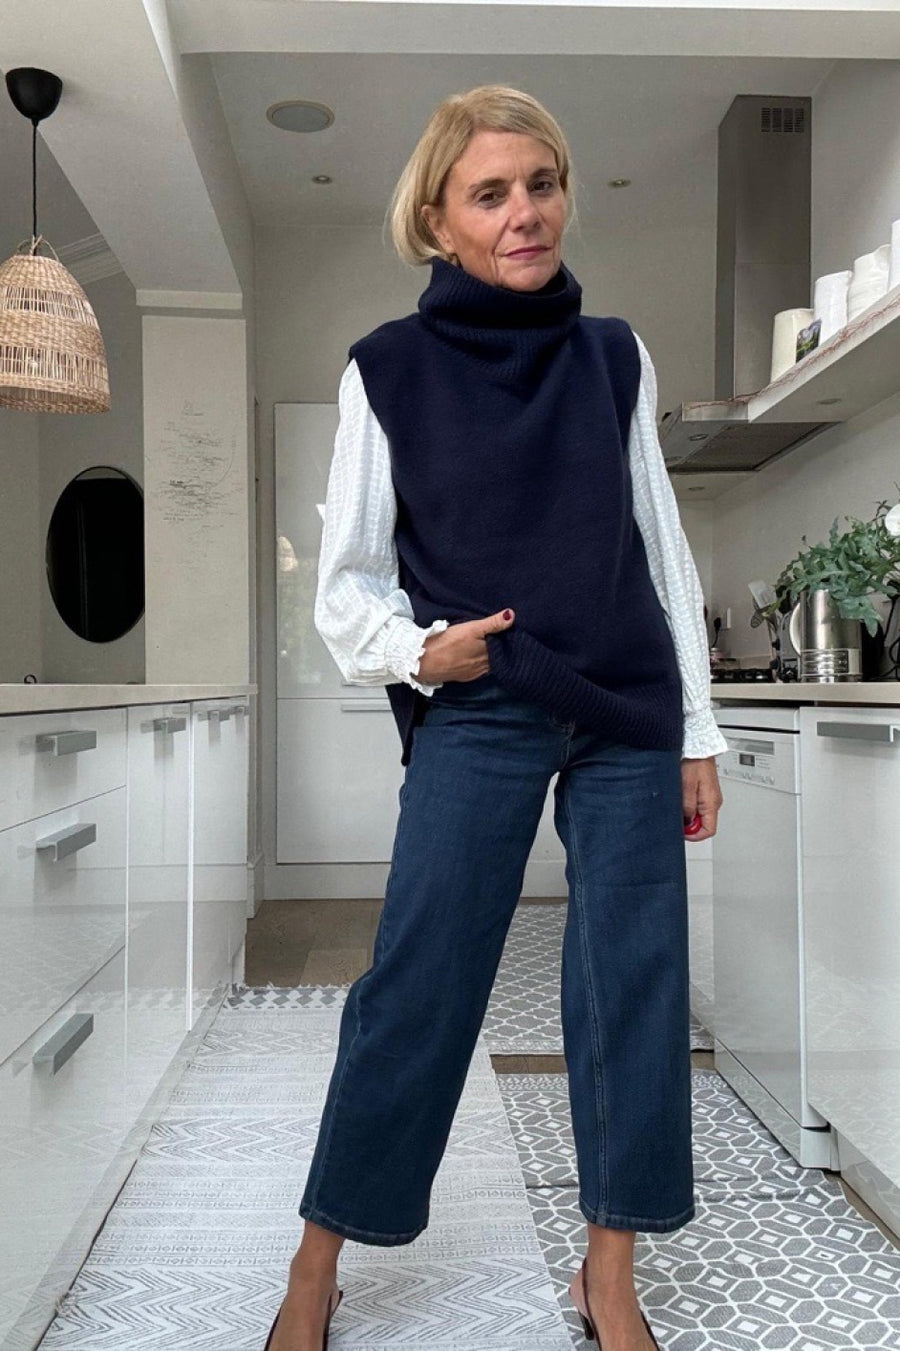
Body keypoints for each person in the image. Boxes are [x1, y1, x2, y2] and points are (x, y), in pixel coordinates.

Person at [263, 84, 727, 1351]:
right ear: (439, 221)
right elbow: (348, 581)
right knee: (421, 979)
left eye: (541, 183)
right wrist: (423, 651)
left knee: (635, 983)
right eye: (490, 193)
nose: (525, 211)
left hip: (626, 706)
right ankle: (316, 1263)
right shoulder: (387, 371)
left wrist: (696, 728)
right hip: (483, 701)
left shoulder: (615, 355)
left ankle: (607, 1275)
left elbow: (661, 544)